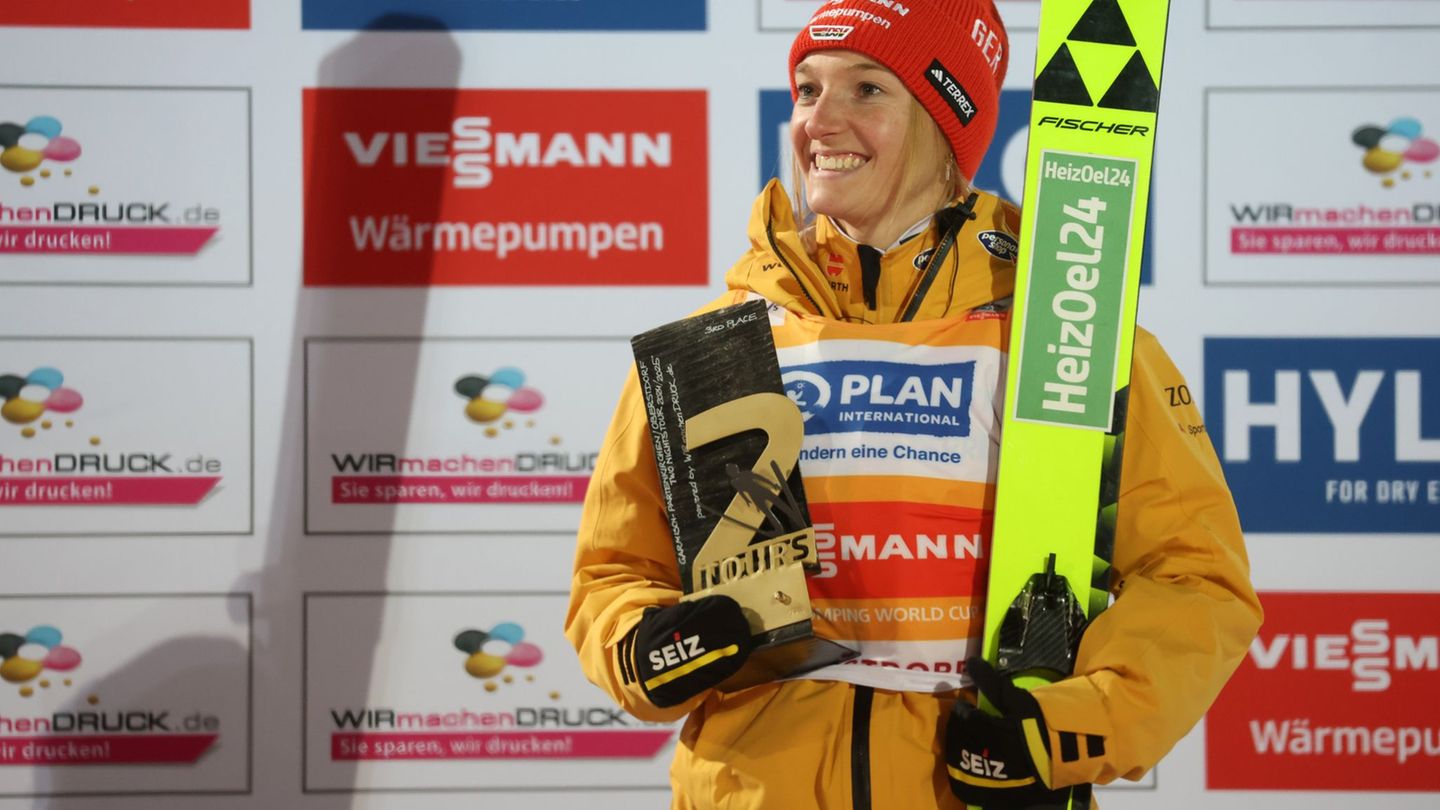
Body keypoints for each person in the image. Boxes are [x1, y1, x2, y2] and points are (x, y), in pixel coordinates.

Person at [565, 1, 1262, 808]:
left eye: (867, 89)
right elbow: (616, 572)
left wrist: (1063, 728)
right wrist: (646, 645)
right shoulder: (719, 343)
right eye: (807, 89)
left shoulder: (1064, 331)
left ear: (946, 126)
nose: (819, 120)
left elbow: (1193, 579)